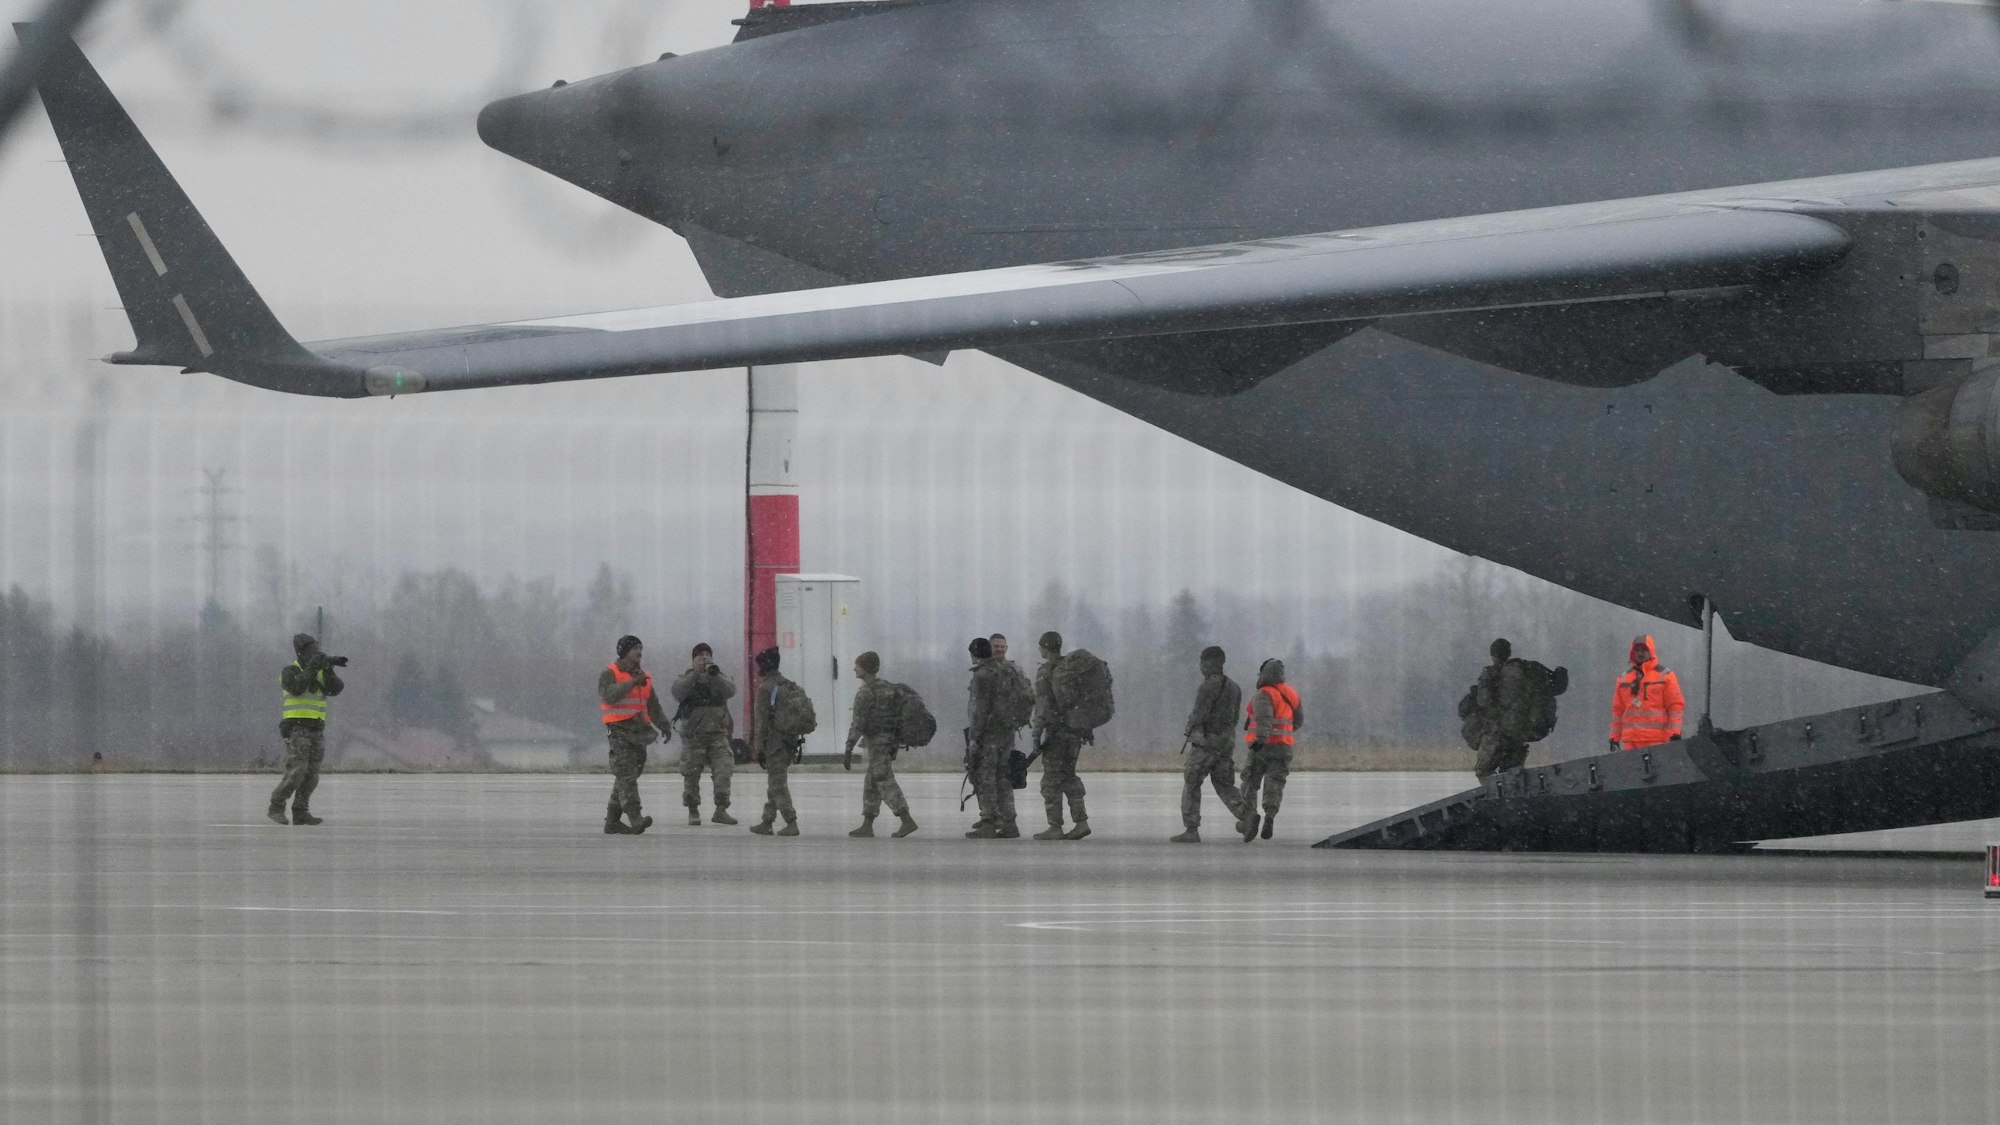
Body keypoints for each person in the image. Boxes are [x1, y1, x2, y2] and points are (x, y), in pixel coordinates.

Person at [1460, 637, 1569, 779]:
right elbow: (1556, 689)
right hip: (1526, 731)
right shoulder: (1531, 669)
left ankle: (1498, 799)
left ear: (1493, 655)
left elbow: (1484, 701)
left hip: (1499, 732)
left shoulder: (1492, 674)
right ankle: (1511, 798)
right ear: (1509, 653)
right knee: (1512, 775)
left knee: (1484, 772)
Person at [1172, 645, 1249, 843]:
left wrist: (1191, 726)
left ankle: (1191, 828)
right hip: (1226, 743)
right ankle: (1247, 815)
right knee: (1224, 783)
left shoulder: (1208, 686)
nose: (1201, 666)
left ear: (1209, 663)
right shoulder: (1234, 687)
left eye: (1203, 662)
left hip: (1206, 744)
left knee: (1192, 782)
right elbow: (1234, 718)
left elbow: (1200, 714)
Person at [269, 632, 346, 826]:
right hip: (296, 729)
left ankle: (301, 811)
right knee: (296, 771)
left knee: (312, 775)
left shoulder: (319, 671)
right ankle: (276, 806)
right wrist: (312, 667)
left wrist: (328, 669)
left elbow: (336, 689)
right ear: (301, 653)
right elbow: (296, 687)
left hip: (316, 729)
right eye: (311, 651)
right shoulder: (289, 671)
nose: (315, 654)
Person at [843, 651, 919, 838]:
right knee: (872, 782)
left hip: (877, 742)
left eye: (857, 665)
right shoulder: (889, 688)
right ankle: (867, 824)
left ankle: (906, 819)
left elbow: (858, 723)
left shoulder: (865, 693)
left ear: (865, 668)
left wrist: (848, 747)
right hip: (890, 741)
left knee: (884, 780)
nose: (854, 668)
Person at [597, 634, 669, 835]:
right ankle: (635, 817)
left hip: (639, 732)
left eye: (641, 648)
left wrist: (664, 725)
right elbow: (609, 695)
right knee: (627, 774)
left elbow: (652, 705)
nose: (639, 652)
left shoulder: (643, 676)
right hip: (618, 730)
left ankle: (612, 821)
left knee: (626, 775)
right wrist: (631, 682)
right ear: (624, 652)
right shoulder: (610, 673)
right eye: (635, 648)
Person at [1030, 630, 1091, 841]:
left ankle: (1055, 826)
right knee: (1069, 776)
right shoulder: (1070, 670)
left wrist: (1036, 736)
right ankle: (1081, 822)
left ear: (1045, 647)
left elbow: (1043, 707)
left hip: (1055, 735)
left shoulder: (1045, 672)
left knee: (1050, 782)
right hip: (1075, 732)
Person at [671, 642, 738, 826]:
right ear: (693, 659)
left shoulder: (718, 677)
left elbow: (731, 690)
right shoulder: (686, 678)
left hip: (717, 734)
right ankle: (693, 810)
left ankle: (721, 809)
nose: (704, 658)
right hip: (694, 735)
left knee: (724, 771)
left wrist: (713, 674)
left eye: (707, 655)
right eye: (700, 656)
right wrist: (695, 673)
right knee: (691, 774)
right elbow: (678, 692)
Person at [1240, 657, 1303, 842]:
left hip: (1263, 748)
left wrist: (1261, 740)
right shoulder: (1292, 694)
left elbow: (1264, 719)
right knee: (1275, 784)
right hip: (1284, 748)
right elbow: (1298, 721)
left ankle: (1250, 817)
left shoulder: (1263, 694)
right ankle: (1270, 817)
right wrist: (1283, 735)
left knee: (1250, 781)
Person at [964, 637, 1020, 838]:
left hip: (989, 735)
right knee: (1002, 778)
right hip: (1006, 732)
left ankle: (988, 822)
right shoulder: (1006, 670)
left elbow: (980, 710)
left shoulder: (982, 675)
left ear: (975, 655)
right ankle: (1009, 823)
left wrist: (974, 738)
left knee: (985, 777)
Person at [748, 646, 804, 836]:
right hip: (789, 741)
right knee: (776, 780)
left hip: (775, 743)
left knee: (777, 783)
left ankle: (791, 821)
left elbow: (761, 722)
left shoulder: (765, 688)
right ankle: (767, 821)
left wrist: (758, 747)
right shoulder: (789, 685)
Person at [1609, 634, 1684, 752]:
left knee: (1656, 770)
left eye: (1644, 649)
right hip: (1630, 742)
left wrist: (1674, 733)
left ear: (1651, 651)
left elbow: (1675, 707)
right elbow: (1618, 711)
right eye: (1637, 650)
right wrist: (1614, 737)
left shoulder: (1666, 676)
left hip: (1656, 741)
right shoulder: (1623, 679)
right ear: (1632, 653)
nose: (1640, 653)